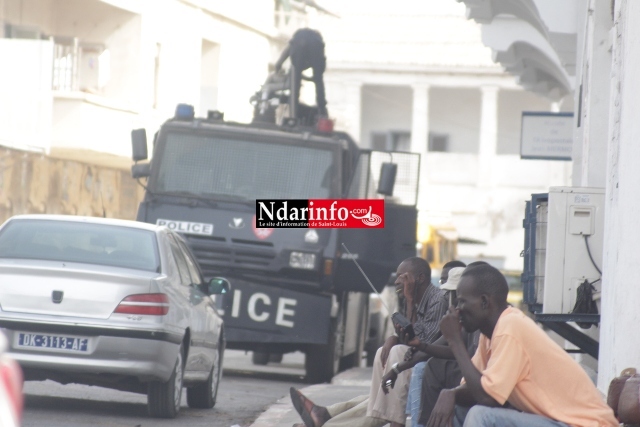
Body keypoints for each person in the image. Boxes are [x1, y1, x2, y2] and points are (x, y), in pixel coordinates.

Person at [428, 264, 618, 427]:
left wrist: (455, 341)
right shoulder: (490, 335)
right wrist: (450, 394)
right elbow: (473, 390)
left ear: (484, 302)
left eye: (461, 302)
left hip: (583, 424)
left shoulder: (510, 328)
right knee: (460, 408)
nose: (456, 310)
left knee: (480, 416)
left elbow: (488, 398)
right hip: (553, 422)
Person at [290, 257, 447, 427]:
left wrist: (408, 301)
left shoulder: (437, 300)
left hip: (430, 367)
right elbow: (410, 338)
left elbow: (419, 344)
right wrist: (392, 338)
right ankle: (324, 415)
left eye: (403, 277)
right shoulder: (415, 299)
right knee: (382, 363)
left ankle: (327, 419)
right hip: (414, 363)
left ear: (420, 278)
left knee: (393, 363)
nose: (396, 281)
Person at [401, 260, 467, 427]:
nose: (448, 296)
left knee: (421, 368)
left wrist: (398, 368)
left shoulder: (441, 304)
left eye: (454, 293)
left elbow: (429, 341)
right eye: (442, 282)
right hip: (458, 371)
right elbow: (426, 342)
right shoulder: (456, 313)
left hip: (471, 379)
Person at [274, 28, 328, 118]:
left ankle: (294, 112)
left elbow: (287, 50)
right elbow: (319, 75)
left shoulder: (298, 41)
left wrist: (278, 65)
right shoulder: (317, 43)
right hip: (313, 44)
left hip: (298, 41)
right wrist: (313, 78)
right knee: (319, 81)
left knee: (295, 84)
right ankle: (322, 111)